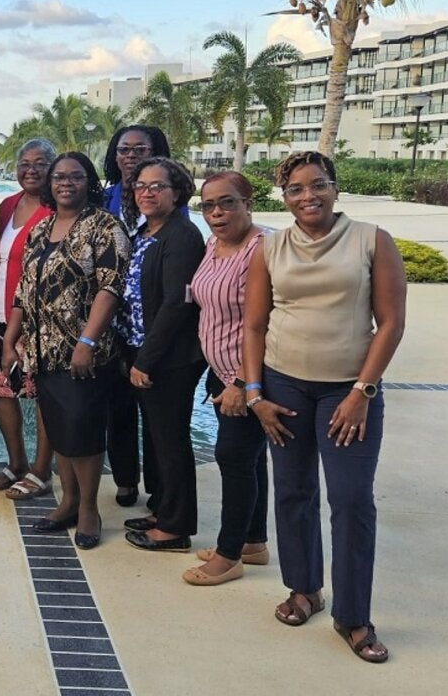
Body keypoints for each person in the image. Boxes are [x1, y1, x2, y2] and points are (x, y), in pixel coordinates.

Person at [242, 152, 406, 664]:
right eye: (295, 188)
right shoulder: (269, 248)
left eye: (318, 185)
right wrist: (254, 394)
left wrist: (362, 392)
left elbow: (391, 322)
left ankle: (353, 616)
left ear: (335, 190)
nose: (307, 196)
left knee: (353, 501)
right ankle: (304, 590)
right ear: (283, 195)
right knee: (292, 491)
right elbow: (253, 326)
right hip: (284, 387)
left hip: (347, 392)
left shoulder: (371, 240)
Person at [2, 152, 129, 550]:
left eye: (75, 177)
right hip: (43, 351)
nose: (65, 183)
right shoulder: (42, 230)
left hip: (83, 352)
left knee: (83, 431)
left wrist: (87, 341)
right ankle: (68, 501)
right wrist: (10, 339)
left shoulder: (105, 226)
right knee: (60, 430)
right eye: (59, 177)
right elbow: (24, 289)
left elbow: (111, 287)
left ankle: (89, 508)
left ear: (87, 181)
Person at [183, 172, 269, 586]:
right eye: (208, 205)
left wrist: (241, 382)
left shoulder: (263, 248)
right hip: (222, 373)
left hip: (249, 377)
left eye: (227, 202)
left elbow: (272, 322)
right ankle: (253, 541)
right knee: (251, 460)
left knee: (233, 460)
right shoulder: (213, 244)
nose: (216, 212)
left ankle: (229, 554)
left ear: (248, 202)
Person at [119, 158, 207, 553]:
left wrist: (145, 361)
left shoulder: (182, 236)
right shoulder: (148, 231)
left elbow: (176, 304)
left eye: (157, 186)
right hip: (142, 347)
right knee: (158, 439)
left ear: (177, 192)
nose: (147, 192)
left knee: (171, 442)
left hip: (167, 359)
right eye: (141, 185)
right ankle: (165, 510)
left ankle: (175, 527)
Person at [100, 124, 179, 508]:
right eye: (123, 149)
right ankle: (126, 480)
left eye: (139, 149)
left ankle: (161, 490)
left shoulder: (170, 202)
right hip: (114, 326)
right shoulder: (104, 198)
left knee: (156, 417)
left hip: (153, 330)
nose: (130, 155)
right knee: (118, 410)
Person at [0, 139, 55, 501]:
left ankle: (42, 471)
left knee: (42, 395)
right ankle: (17, 464)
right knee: (2, 390)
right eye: (25, 163)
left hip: (38, 320)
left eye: (40, 163)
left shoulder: (57, 209)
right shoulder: (7, 205)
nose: (31, 169)